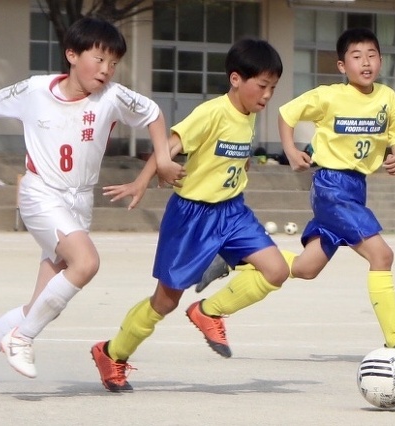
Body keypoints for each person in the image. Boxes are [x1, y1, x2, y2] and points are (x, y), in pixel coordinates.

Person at [0, 17, 183, 397]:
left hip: (79, 201)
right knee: (86, 263)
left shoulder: (111, 96)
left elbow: (153, 114)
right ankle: (21, 339)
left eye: (114, 63)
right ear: (72, 55)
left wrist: (162, 157)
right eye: (99, 59)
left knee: (41, 305)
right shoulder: (34, 90)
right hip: (41, 194)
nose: (106, 70)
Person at [196, 28, 395, 357]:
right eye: (357, 56)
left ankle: (228, 268)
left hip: (356, 188)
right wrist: (290, 150)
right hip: (331, 187)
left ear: (382, 61)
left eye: (372, 55)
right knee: (382, 255)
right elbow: (287, 114)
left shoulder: (387, 98)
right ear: (342, 66)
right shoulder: (329, 96)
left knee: (305, 269)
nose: (365, 63)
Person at [90, 38, 287, 392]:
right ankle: (112, 353)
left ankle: (209, 311)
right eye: (262, 86)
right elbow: (169, 147)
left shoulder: (249, 114)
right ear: (236, 79)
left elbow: (231, 153)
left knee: (276, 270)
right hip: (192, 216)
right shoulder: (211, 113)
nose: (267, 95)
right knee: (165, 301)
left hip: (232, 211)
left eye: (273, 87)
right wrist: (142, 181)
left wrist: (239, 165)